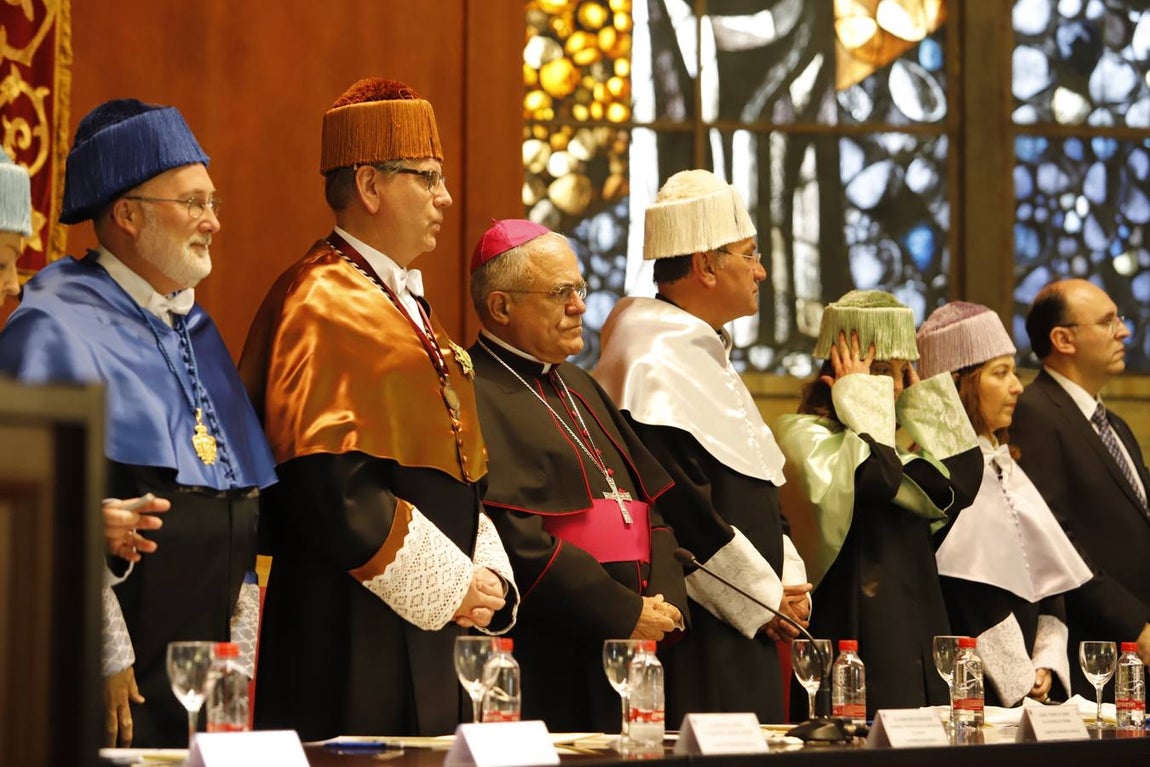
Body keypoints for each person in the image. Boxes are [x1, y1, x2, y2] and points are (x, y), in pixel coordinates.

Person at [239, 78, 517, 740]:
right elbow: (325, 484)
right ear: (369, 186)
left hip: (432, 624)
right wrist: (451, 582)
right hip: (348, 627)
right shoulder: (321, 298)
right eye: (426, 178)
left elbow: (456, 458)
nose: (445, 197)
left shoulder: (407, 302)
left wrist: (485, 573)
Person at [0, 99, 277, 747]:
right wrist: (104, 653)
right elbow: (46, 513)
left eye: (214, 201)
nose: (212, 221)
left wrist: (238, 649)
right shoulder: (51, 322)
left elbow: (236, 499)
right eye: (193, 202)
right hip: (118, 673)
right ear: (127, 215)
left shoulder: (195, 326)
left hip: (205, 671)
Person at [595, 170, 810, 725]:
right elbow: (681, 507)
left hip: (752, 618)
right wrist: (762, 598)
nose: (761, 270)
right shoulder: (652, 357)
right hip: (702, 627)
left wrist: (787, 582)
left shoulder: (701, 348)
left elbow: (755, 478)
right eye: (749, 254)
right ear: (706, 265)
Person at [467, 219, 686, 732]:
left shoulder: (580, 383)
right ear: (501, 307)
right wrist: (619, 613)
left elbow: (648, 505)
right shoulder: (472, 386)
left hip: (638, 641)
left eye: (579, 289)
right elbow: (512, 536)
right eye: (561, 292)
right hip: (554, 647)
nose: (580, 306)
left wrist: (664, 605)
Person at [774, 290, 982, 716]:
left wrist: (922, 400)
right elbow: (875, 480)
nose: (888, 387)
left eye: (900, 373)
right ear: (835, 377)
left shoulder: (889, 448)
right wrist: (860, 401)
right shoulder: (801, 436)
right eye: (876, 372)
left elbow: (960, 484)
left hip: (918, 625)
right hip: (851, 627)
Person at [917, 302, 1091, 706]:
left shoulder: (1007, 466)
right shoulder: (935, 476)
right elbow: (966, 592)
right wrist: (1020, 677)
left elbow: (1049, 579)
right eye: (1001, 373)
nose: (1017, 386)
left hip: (1032, 685)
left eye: (1013, 371)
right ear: (959, 384)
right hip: (971, 690)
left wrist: (1046, 661)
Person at [1011, 279, 1150, 691]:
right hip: (1096, 650)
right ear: (1063, 339)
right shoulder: (1035, 413)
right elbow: (1054, 539)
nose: (1123, 332)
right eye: (1107, 322)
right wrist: (1134, 623)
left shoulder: (1116, 426)